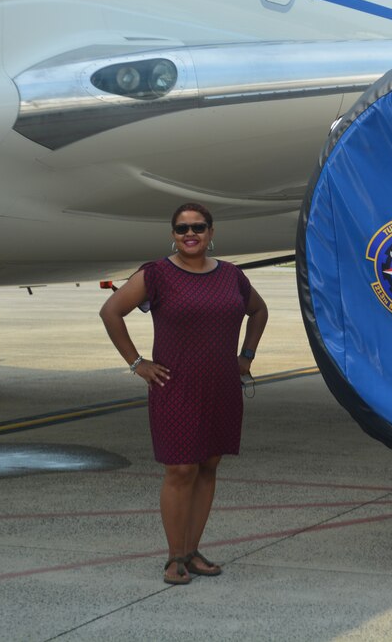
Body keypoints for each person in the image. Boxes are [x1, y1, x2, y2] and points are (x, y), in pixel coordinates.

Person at [99, 202, 268, 585]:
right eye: (181, 229)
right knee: (180, 468)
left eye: (198, 227)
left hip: (222, 385)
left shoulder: (232, 276)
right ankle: (174, 557)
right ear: (172, 234)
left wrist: (247, 355)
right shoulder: (156, 274)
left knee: (208, 465)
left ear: (211, 233)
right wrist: (136, 362)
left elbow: (258, 311)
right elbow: (111, 312)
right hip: (174, 384)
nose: (190, 234)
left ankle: (193, 552)